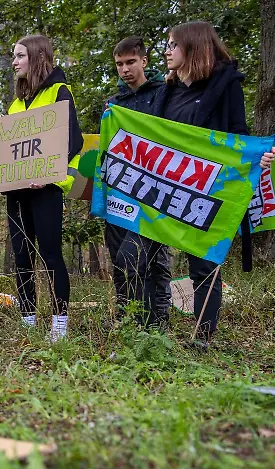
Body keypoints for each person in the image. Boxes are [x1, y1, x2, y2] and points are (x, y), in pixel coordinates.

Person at [151, 21, 275, 344]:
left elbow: (239, 133)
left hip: (209, 189)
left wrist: (257, 158)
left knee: (203, 265)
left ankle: (202, 336)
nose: (166, 51)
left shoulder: (225, 84)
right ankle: (150, 328)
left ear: (192, 47)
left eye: (172, 45)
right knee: (144, 256)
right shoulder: (169, 89)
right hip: (168, 188)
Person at [0, 34, 83, 341]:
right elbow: (12, 147)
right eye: (13, 56)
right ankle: (28, 318)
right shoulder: (16, 103)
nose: (14, 62)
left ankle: (59, 322)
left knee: (50, 254)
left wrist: (50, 174)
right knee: (21, 255)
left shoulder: (59, 91)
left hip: (45, 189)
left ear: (37, 56)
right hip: (16, 191)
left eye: (19, 56)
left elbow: (73, 141)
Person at [103, 36, 172, 327]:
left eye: (131, 62)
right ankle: (127, 317)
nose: (125, 69)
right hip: (121, 191)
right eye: (119, 64)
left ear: (144, 61)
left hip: (157, 191)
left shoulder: (164, 94)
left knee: (150, 258)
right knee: (120, 257)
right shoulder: (114, 104)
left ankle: (157, 321)